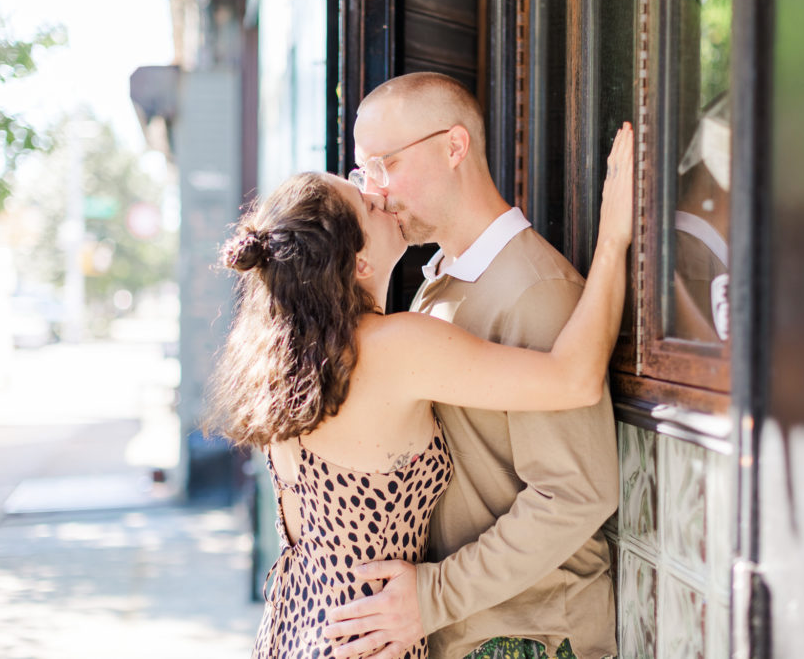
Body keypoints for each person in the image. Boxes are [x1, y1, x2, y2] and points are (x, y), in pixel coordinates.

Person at [205, 119, 633, 659]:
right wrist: (615, 239)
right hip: (367, 637)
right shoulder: (392, 347)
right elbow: (574, 377)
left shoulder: (288, 368)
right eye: (367, 203)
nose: (380, 196)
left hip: (301, 625)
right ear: (358, 261)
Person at [323, 72, 623, 659]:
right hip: (465, 630)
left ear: (454, 147)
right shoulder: (437, 286)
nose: (376, 192)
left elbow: (578, 493)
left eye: (384, 164)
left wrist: (432, 597)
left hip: (528, 636)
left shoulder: (534, 289)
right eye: (364, 174)